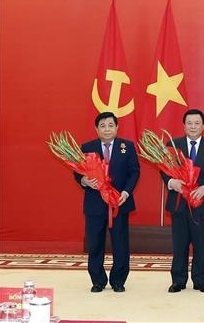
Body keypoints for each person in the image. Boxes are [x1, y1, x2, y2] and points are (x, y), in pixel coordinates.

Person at [74, 111, 140, 293]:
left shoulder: (127, 146)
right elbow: (77, 172)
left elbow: (135, 172)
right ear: (96, 129)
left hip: (119, 202)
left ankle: (118, 280)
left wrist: (126, 192)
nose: (107, 129)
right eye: (102, 126)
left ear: (117, 127)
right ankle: (98, 280)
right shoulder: (87, 147)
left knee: (120, 243)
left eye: (111, 125)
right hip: (95, 204)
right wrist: (84, 180)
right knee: (95, 243)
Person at [162, 108, 204, 294]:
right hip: (179, 202)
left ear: (203, 126)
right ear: (184, 125)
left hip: (202, 203)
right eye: (189, 123)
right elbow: (163, 169)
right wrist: (171, 182)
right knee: (179, 243)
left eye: (197, 123)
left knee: (201, 243)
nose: (193, 126)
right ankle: (178, 280)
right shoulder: (173, 145)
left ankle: (201, 280)